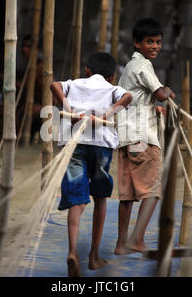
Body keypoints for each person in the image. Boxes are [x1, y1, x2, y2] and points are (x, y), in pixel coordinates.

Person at [50, 52, 132, 277]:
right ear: (112, 76)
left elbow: (54, 84)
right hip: (101, 145)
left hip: (74, 144)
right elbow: (128, 97)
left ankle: (73, 251)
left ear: (87, 70)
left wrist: (68, 108)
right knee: (101, 198)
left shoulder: (75, 84)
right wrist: (109, 113)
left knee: (76, 198)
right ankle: (94, 256)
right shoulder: (111, 88)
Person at [114, 18, 175, 255]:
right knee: (153, 190)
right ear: (137, 43)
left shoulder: (129, 68)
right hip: (143, 138)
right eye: (150, 42)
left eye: (158, 42)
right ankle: (136, 240)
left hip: (126, 139)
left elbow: (137, 100)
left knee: (127, 195)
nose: (155, 46)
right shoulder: (143, 66)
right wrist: (169, 91)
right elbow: (160, 94)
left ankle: (121, 244)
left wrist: (153, 106)